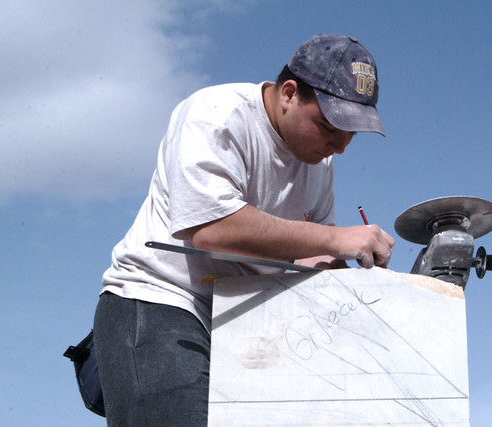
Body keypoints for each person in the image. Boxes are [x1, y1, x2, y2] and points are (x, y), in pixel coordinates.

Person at [93, 33, 395, 426]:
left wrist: (367, 291)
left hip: (247, 321)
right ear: (289, 94)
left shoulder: (319, 164)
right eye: (328, 126)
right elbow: (211, 228)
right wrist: (339, 237)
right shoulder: (215, 114)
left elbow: (313, 252)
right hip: (163, 300)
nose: (340, 146)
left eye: (352, 132)